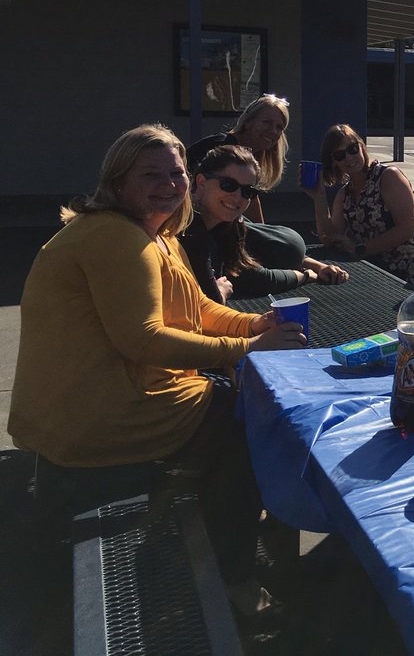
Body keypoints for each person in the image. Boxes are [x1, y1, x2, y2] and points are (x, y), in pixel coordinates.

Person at [9, 124, 305, 616]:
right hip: (101, 412)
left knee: (240, 408)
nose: (168, 184)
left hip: (109, 394)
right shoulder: (114, 237)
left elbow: (199, 309)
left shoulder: (156, 234)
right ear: (118, 181)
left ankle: (226, 534)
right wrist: (248, 347)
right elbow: (143, 340)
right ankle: (234, 575)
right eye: (150, 174)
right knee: (251, 428)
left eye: (176, 173)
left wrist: (254, 322)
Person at [182, 145, 347, 303]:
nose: (238, 197)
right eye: (228, 185)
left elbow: (249, 269)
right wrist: (306, 276)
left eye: (248, 191)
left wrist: (316, 267)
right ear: (201, 182)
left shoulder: (226, 224)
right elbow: (220, 295)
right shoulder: (188, 228)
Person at [303, 124, 414, 283]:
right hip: (372, 269)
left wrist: (359, 249)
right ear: (334, 162)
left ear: (362, 147)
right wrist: (319, 197)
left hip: (407, 272)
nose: (349, 157)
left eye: (352, 149)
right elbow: (330, 238)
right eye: (340, 155)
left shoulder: (388, 177)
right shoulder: (344, 195)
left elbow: (406, 229)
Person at [186, 94, 290, 226]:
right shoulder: (225, 148)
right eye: (267, 122)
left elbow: (252, 204)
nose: (273, 131)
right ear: (248, 122)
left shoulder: (248, 154)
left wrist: (263, 234)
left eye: (279, 127)